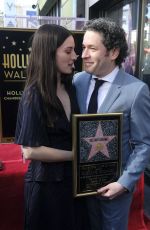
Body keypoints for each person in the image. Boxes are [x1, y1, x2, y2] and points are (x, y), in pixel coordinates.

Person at [73, 18, 150, 230]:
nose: (84, 55)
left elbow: (144, 145)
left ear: (113, 53)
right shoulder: (78, 81)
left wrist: (124, 183)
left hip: (113, 191)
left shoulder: (136, 91)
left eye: (92, 48)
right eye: (83, 47)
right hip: (80, 187)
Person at [15, 24, 88, 230]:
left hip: (74, 184)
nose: (76, 56)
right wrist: (77, 155)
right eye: (68, 51)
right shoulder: (33, 94)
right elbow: (30, 150)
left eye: (74, 50)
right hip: (46, 188)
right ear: (48, 52)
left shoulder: (71, 88)